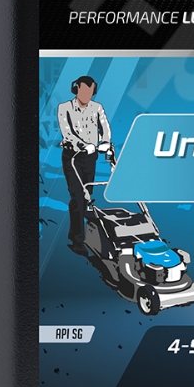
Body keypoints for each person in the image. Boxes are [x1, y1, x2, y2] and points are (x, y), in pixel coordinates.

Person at [56, 75, 111, 254]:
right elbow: (67, 132)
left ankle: (92, 233)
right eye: (84, 90)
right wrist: (82, 145)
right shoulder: (64, 108)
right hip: (72, 156)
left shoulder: (97, 108)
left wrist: (105, 142)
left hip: (90, 157)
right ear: (76, 89)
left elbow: (105, 127)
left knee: (88, 195)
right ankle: (77, 240)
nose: (87, 94)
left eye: (90, 91)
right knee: (77, 196)